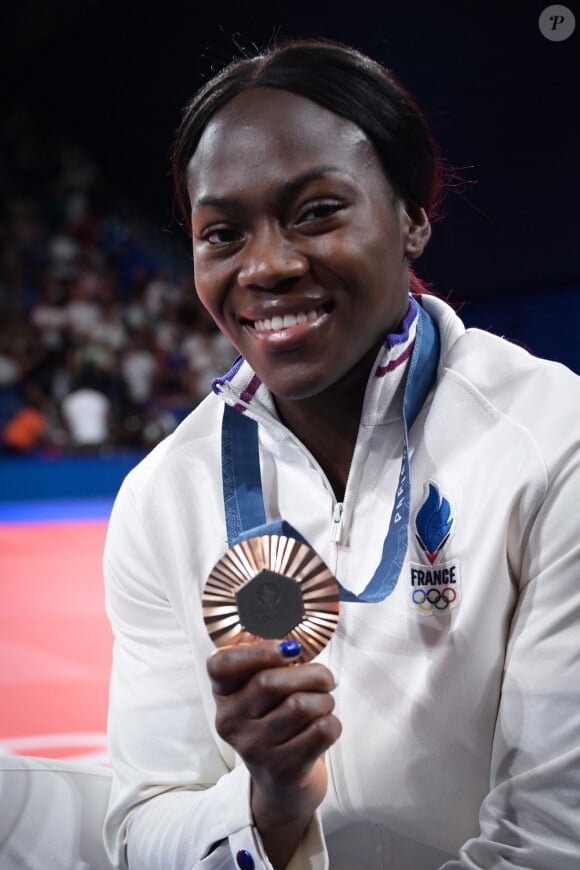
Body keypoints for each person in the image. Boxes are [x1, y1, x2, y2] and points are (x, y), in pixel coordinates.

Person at [103, 38, 580, 870]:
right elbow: (144, 830)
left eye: (316, 212)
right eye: (222, 233)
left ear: (412, 217)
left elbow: (552, 841)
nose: (269, 266)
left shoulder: (551, 443)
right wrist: (267, 804)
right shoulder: (160, 499)